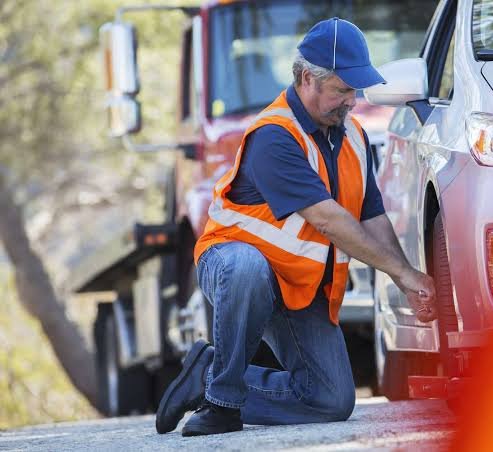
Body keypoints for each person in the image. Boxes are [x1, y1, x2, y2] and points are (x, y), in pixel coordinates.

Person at [155, 17, 437, 437]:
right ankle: (222, 401)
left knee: (330, 400)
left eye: (355, 90)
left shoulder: (354, 136)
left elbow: (371, 217)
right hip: (235, 269)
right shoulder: (275, 136)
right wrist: (403, 272)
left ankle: (207, 374)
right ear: (307, 79)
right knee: (248, 268)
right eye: (342, 90)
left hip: (300, 287)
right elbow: (327, 218)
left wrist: (408, 282)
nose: (352, 101)